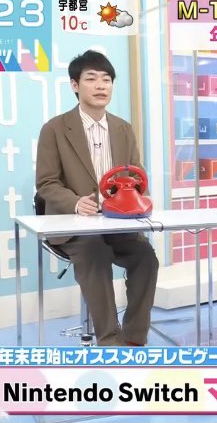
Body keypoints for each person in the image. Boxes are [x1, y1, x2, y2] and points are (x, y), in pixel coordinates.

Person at [36, 50, 160, 346]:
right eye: (91, 79)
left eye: (106, 79)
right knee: (95, 252)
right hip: (75, 227)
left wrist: (134, 197)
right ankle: (109, 340)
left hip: (117, 223)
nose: (101, 85)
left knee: (146, 258)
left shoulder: (123, 128)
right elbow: (46, 183)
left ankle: (134, 339)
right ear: (75, 85)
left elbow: (136, 175)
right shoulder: (54, 129)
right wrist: (76, 202)